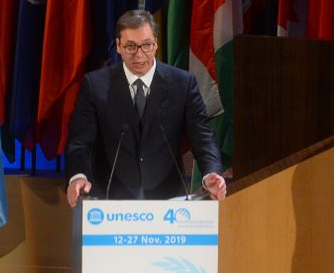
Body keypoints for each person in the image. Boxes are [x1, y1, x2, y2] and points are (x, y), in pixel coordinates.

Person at [65, 10, 227, 206]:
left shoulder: (182, 84)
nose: (139, 55)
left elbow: (202, 137)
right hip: (111, 201)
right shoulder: (95, 85)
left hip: (167, 201)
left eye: (147, 45)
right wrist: (78, 175)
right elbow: (79, 142)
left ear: (156, 43)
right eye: (131, 47)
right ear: (118, 46)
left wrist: (211, 172)